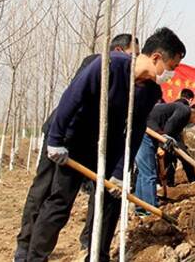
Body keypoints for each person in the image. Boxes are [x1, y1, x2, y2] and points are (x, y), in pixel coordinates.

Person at [16, 28, 185, 262]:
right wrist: (55, 141)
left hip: (108, 145)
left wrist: (119, 171)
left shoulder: (151, 91)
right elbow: (72, 97)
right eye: (172, 67)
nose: (171, 74)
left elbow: (135, 131)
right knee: (60, 201)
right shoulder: (110, 65)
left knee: (111, 201)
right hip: (75, 140)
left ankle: (98, 256)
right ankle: (34, 257)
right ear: (156, 57)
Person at [15, 34, 139, 258]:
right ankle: (25, 247)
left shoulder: (129, 78)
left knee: (97, 192)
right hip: (61, 135)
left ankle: (89, 244)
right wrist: (56, 141)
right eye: (134, 54)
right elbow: (73, 99)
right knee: (43, 190)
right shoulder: (98, 62)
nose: (136, 60)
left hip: (89, 142)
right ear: (119, 51)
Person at [134, 100, 195, 214]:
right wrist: (162, 147)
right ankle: (151, 211)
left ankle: (141, 208)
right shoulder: (185, 110)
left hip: (143, 130)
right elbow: (169, 128)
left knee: (143, 173)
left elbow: (174, 135)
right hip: (146, 132)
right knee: (149, 174)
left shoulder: (181, 115)